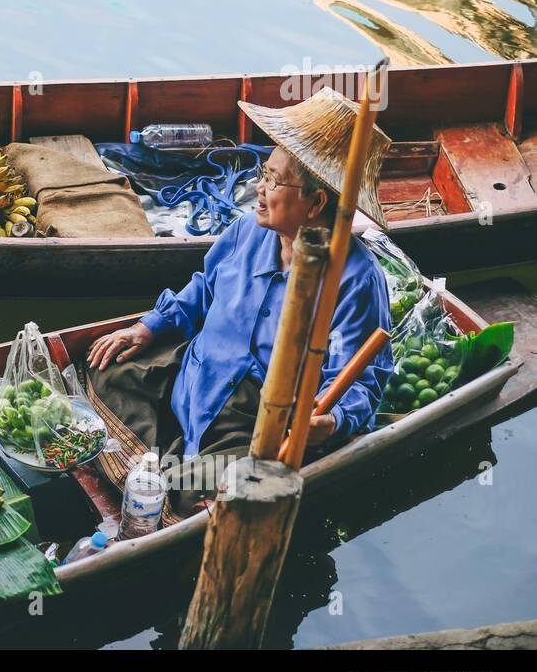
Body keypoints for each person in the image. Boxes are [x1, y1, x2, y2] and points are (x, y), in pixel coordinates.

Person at [83, 89, 394, 514]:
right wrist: (148, 326)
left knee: (217, 485)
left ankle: (157, 471)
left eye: (274, 181)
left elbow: (363, 380)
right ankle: (160, 466)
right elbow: (203, 290)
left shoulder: (356, 279)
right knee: (107, 366)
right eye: (263, 174)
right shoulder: (247, 231)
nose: (259, 189)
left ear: (316, 203)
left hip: (257, 416)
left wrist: (331, 422)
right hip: (199, 371)